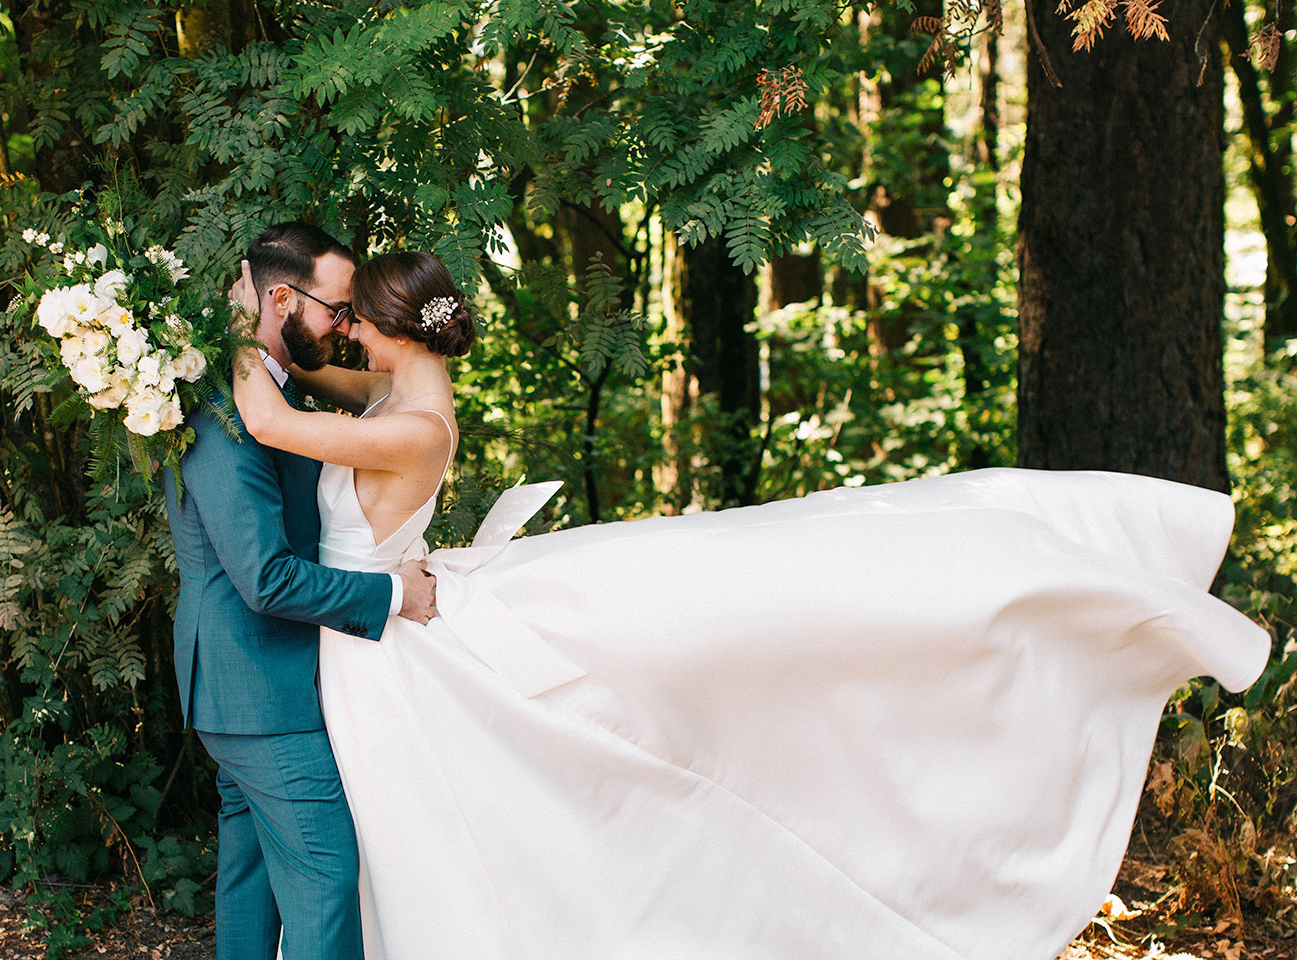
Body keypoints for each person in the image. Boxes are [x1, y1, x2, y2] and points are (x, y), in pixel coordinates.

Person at [227, 248, 1273, 960]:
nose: (338, 324)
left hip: (385, 646)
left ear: (384, 326)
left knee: (450, 821)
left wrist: (212, 329)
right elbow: (314, 420)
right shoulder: (391, 397)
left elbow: (269, 425)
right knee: (414, 827)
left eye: (350, 311)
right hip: (379, 631)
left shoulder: (405, 424)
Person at [163, 223, 439, 960]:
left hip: (258, 682)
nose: (346, 327)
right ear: (281, 297)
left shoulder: (269, 387)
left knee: (249, 884)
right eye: (337, 310)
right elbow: (264, 578)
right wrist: (391, 595)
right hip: (259, 687)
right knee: (324, 878)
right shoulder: (226, 414)